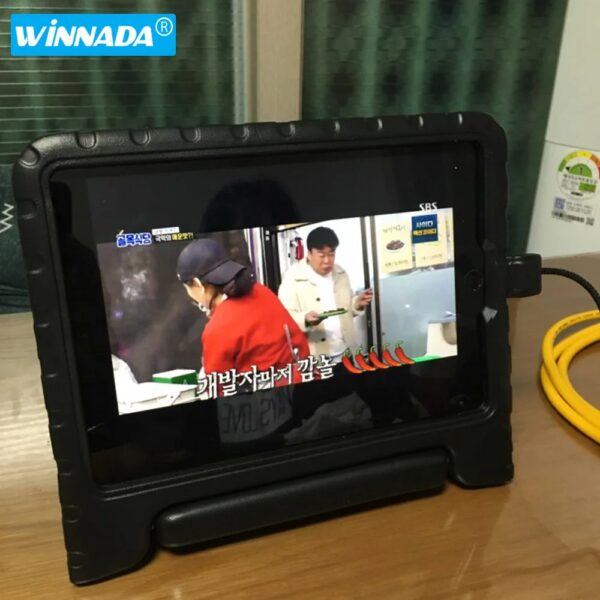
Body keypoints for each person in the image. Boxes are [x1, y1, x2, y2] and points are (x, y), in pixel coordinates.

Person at [176, 238, 310, 387]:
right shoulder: (261, 291)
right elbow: (300, 343)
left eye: (188, 288)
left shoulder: (218, 327)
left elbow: (218, 387)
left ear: (198, 284)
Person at [278, 226, 373, 362]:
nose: (327, 260)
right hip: (315, 358)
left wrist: (357, 303)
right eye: (321, 255)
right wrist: (305, 319)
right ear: (309, 254)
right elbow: (283, 318)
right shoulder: (293, 278)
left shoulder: (341, 273)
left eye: (331, 254)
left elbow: (345, 309)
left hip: (345, 352)